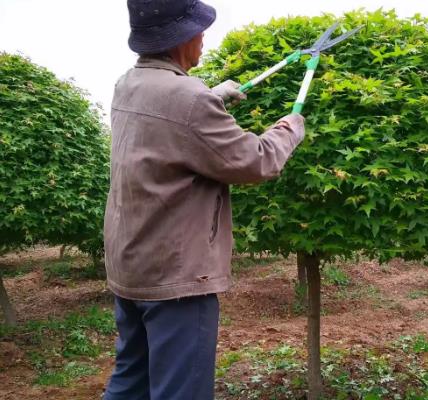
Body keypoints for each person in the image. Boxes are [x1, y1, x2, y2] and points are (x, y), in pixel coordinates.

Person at [102, 0, 305, 399]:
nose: (203, 38)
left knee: (130, 382)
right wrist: (289, 128)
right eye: (199, 30)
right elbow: (256, 162)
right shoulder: (190, 100)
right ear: (180, 39)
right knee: (181, 392)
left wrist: (212, 94)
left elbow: (164, 126)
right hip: (176, 279)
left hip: (131, 265)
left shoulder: (128, 82)